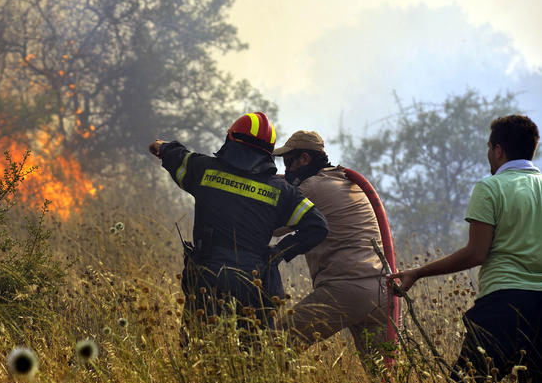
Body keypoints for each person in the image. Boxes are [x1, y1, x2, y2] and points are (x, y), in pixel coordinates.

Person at [389, 114, 542, 382]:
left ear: (498, 150)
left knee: (469, 377)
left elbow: (476, 253)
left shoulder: (491, 187)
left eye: (488, 147)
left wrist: (418, 272)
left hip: (502, 306)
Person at [149, 112, 328, 335]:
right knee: (252, 360)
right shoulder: (282, 192)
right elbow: (317, 227)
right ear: (268, 153)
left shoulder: (204, 169)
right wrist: (279, 252)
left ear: (231, 141)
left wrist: (162, 147)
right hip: (256, 283)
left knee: (198, 349)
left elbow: (177, 155)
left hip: (208, 280)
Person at [272, 130, 390, 368]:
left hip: (346, 290)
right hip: (381, 291)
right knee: (382, 373)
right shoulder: (344, 181)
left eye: (288, 162)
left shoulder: (311, 187)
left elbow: (274, 227)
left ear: (304, 159)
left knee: (275, 344)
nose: (288, 168)